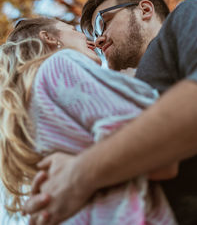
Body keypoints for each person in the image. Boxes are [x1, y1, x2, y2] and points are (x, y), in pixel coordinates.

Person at [23, 0, 197, 225]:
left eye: (102, 23)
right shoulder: (111, 95)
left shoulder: (187, 15)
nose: (98, 40)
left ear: (144, 10)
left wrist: (77, 174)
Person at [0, 17, 177, 224]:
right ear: (48, 37)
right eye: (73, 29)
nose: (91, 39)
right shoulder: (59, 66)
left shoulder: (26, 121)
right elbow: (160, 151)